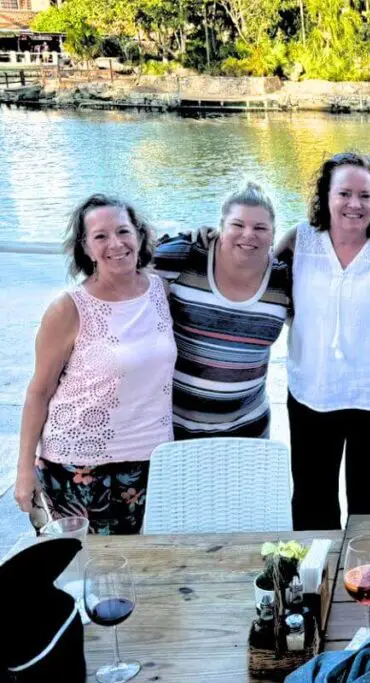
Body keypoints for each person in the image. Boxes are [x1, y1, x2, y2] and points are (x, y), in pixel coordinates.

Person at [15, 195, 175, 534]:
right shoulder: (68, 308)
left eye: (123, 231)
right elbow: (39, 392)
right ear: (86, 248)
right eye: (100, 236)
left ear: (140, 236)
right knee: (85, 570)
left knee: (144, 565)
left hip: (151, 456)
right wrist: (24, 471)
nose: (115, 244)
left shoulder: (161, 291)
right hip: (78, 462)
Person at [276, 153, 370, 529]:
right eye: (344, 193)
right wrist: (209, 240)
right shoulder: (300, 240)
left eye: (365, 196)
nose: (354, 204)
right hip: (312, 390)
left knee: (369, 506)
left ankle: (364, 581)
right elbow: (247, 265)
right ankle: (315, 581)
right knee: (311, 499)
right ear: (325, 195)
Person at [154, 182, 290, 440]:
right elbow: (125, 265)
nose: (248, 234)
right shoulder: (186, 255)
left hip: (248, 428)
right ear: (221, 227)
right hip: (173, 426)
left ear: (273, 234)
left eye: (260, 227)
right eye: (237, 225)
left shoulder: (283, 278)